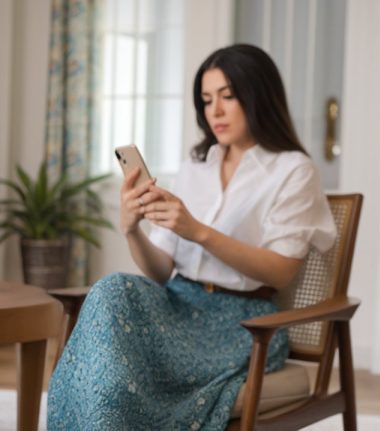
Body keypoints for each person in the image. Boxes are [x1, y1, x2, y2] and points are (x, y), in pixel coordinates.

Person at [47, 44, 337, 430]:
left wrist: (198, 231)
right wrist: (131, 229)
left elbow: (281, 272)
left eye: (227, 96)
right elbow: (160, 270)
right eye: (206, 99)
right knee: (111, 289)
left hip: (241, 325)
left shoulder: (293, 170)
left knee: (117, 354)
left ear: (258, 96)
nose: (214, 111)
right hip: (176, 303)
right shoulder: (195, 166)